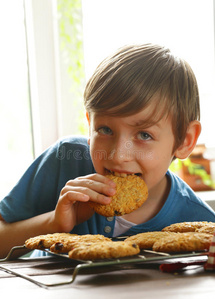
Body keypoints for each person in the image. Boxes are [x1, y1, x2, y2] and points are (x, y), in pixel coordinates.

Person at [0, 43, 215, 258]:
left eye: (144, 135)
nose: (118, 155)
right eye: (104, 129)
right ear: (89, 124)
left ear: (184, 141)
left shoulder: (202, 227)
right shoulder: (65, 159)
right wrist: (55, 222)